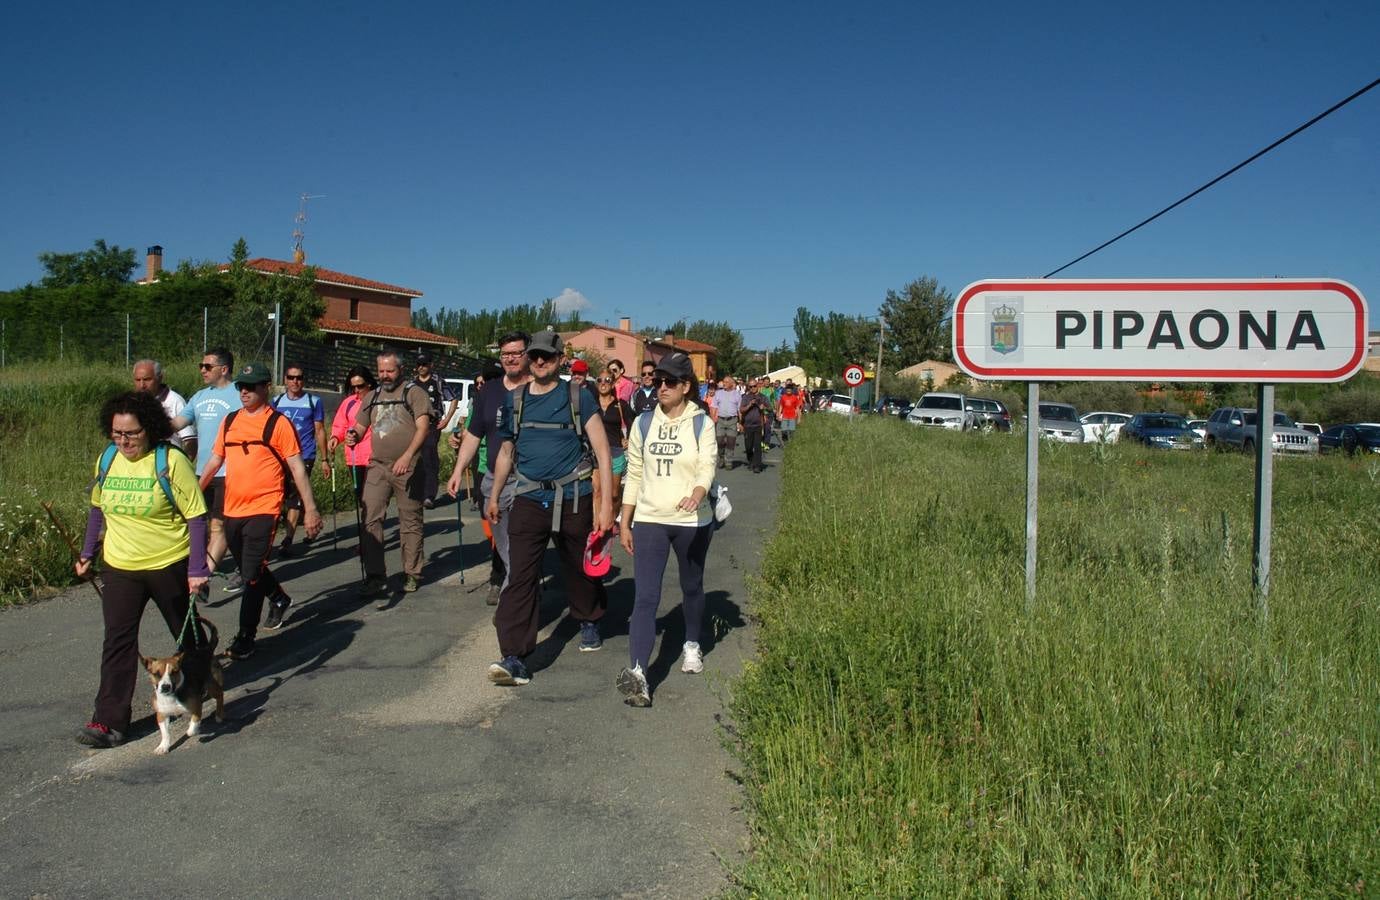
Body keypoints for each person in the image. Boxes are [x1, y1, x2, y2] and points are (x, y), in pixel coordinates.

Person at [74, 391, 211, 748]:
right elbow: (96, 510)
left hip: (168, 562)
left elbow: (196, 516)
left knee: (187, 638)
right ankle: (109, 722)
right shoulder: (107, 459)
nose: (124, 441)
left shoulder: (170, 461)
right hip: (120, 566)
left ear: (149, 429)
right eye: (117, 434)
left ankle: (195, 691)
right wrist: (87, 553)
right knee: (117, 642)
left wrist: (197, 568)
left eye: (131, 434)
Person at [484, 330, 615, 685]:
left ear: (560, 359)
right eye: (535, 356)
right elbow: (506, 453)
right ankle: (513, 656)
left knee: (579, 567)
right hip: (527, 498)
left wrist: (606, 508)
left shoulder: (577, 396)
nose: (540, 361)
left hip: (574, 497)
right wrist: (496, 496)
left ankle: (588, 618)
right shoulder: (515, 402)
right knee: (520, 577)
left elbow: (603, 452)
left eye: (548, 356)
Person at [615, 352, 718, 707]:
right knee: (645, 597)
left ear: (686, 386)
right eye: (657, 381)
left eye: (669, 382)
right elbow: (634, 474)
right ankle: (639, 674)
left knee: (691, 585)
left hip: (692, 521)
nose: (661, 387)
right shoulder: (644, 423)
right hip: (650, 520)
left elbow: (707, 466)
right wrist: (624, 520)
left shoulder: (701, 423)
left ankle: (691, 643)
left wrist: (698, 492)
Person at [200, 363, 323, 659]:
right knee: (247, 567)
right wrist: (193, 494)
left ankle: (245, 636)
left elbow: (296, 467)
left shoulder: (279, 424)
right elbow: (215, 462)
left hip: (264, 508)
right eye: (241, 386)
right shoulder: (229, 422)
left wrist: (310, 509)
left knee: (251, 573)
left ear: (265, 387)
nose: (244, 391)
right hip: (233, 507)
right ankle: (279, 598)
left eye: (251, 386)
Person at [446, 333, 530, 607]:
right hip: (495, 481)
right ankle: (516, 588)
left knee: (525, 543)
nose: (511, 358)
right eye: (506, 354)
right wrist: (458, 469)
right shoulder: (489, 392)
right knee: (504, 545)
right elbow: (473, 435)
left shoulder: (538, 388)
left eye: (517, 353)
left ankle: (515, 597)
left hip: (531, 481)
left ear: (527, 354)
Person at [344, 351, 431, 600]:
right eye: (381, 371)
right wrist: (353, 436)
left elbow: (423, 427)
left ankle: (412, 572)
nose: (384, 375)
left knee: (410, 520)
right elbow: (360, 427)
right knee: (370, 517)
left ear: (400, 370)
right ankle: (375, 576)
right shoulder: (372, 396)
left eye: (389, 370)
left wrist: (407, 456)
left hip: (409, 466)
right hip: (378, 466)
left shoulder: (414, 393)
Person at [170, 348, 240, 591]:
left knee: (218, 525)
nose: (202, 370)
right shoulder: (199, 396)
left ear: (224, 368)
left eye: (207, 366)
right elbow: (179, 422)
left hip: (229, 471)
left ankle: (203, 577)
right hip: (201, 471)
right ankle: (232, 564)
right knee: (198, 522)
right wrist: (150, 427)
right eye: (201, 365)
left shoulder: (240, 393)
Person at [446, 360, 506, 602]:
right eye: (481, 382)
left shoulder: (512, 398)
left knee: (501, 524)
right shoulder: (477, 405)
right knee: (491, 525)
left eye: (491, 380)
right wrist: (455, 441)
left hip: (509, 471)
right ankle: (500, 560)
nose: (485, 385)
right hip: (483, 468)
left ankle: (499, 577)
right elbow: (468, 433)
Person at [271, 363, 329, 555]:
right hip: (279, 457)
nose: (295, 381)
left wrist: (324, 459)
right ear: (285, 380)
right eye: (291, 377)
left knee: (294, 497)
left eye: (299, 378)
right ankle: (311, 514)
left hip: (304, 455)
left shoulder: (313, 401)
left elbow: (320, 430)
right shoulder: (277, 401)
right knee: (280, 495)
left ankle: (287, 539)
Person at [409, 353, 454, 508]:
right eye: (419, 365)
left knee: (429, 456)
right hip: (415, 425)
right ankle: (417, 493)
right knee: (416, 458)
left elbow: (453, 398)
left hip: (433, 424)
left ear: (431, 365)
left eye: (424, 364)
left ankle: (429, 495)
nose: (421, 368)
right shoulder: (412, 384)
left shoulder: (437, 381)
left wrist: (447, 419)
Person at [594, 368, 635, 528]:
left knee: (614, 493)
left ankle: (614, 517)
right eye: (600, 380)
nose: (603, 383)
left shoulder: (620, 404)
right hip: (595, 453)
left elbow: (632, 422)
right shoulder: (592, 403)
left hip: (616, 451)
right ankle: (597, 524)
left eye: (607, 380)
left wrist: (629, 439)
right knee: (597, 490)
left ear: (613, 385)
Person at [328, 366, 376, 502]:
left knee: (373, 497)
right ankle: (368, 521)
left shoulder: (378, 401)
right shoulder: (348, 402)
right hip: (354, 457)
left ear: (369, 383)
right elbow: (340, 425)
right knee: (360, 496)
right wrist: (335, 437)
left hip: (374, 456)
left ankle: (373, 522)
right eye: (353, 386)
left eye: (360, 386)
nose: (356, 390)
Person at [133, 359, 195, 451]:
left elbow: (191, 441)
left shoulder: (174, 401)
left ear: (160, 378)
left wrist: (182, 463)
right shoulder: (132, 402)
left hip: (166, 461)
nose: (142, 385)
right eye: (138, 380)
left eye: (147, 379)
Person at [740, 380, 770, 473]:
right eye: (750, 386)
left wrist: (763, 407)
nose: (753, 388)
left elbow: (770, 408)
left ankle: (757, 465)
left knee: (757, 446)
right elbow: (741, 410)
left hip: (758, 424)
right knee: (748, 446)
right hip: (748, 425)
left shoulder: (762, 397)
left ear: (757, 386)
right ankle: (751, 461)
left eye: (754, 386)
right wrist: (749, 405)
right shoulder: (745, 397)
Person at [712, 375, 742, 469]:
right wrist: (713, 419)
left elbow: (739, 410)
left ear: (732, 384)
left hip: (732, 421)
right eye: (723, 381)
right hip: (720, 421)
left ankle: (728, 461)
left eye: (726, 382)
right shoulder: (718, 393)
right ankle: (721, 458)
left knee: (731, 442)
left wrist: (740, 423)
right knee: (719, 441)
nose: (724, 383)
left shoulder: (737, 394)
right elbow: (714, 407)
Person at [777, 379, 803, 443]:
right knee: (784, 430)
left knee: (791, 431)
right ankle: (785, 441)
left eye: (790, 390)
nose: (788, 391)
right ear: (785, 390)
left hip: (792, 416)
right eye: (787, 390)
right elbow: (781, 406)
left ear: (792, 390)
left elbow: (797, 408)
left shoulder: (794, 397)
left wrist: (799, 418)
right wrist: (779, 414)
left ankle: (791, 444)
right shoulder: (783, 397)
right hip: (785, 416)